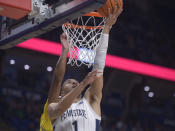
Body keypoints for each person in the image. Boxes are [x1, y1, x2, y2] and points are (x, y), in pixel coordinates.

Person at [40, 4, 123, 131]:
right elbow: (57, 80)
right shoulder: (53, 108)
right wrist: (65, 51)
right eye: (69, 82)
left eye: (75, 82)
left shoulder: (90, 102)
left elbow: (99, 68)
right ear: (61, 93)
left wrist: (106, 28)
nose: (74, 81)